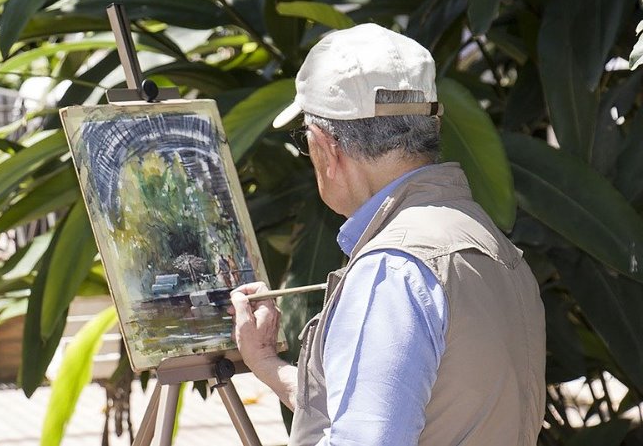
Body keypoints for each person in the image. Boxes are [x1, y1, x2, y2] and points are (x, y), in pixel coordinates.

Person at [229, 23, 546, 445]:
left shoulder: (392, 269)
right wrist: (268, 363)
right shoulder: (483, 238)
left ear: (325, 147)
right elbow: (395, 408)